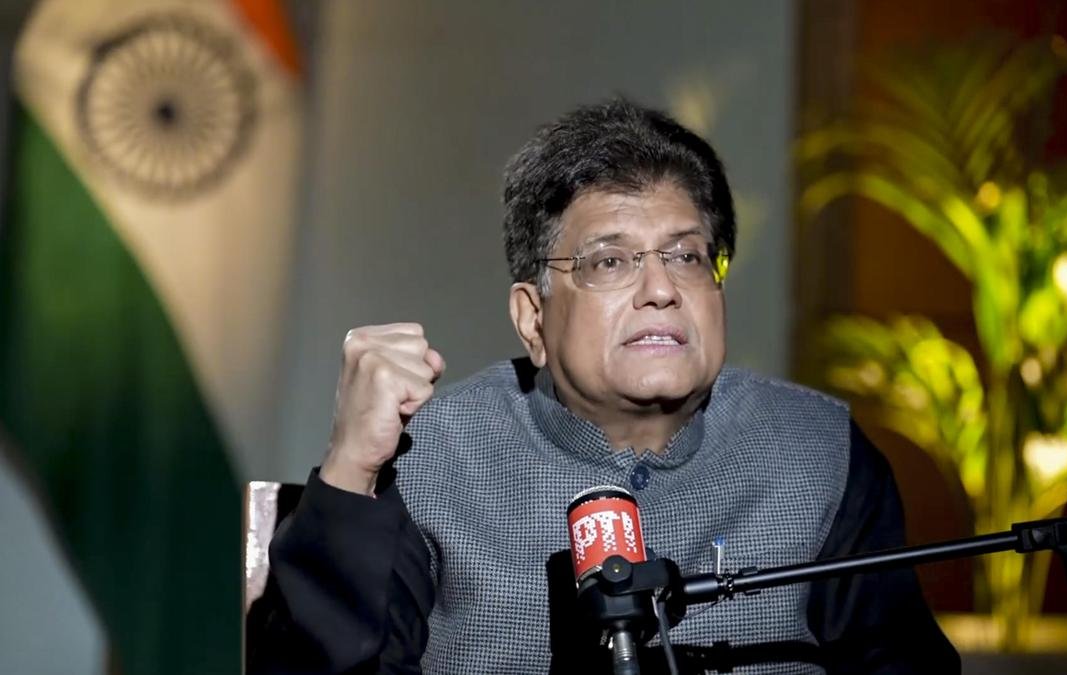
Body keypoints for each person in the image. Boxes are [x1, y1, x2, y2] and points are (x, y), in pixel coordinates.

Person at [250, 99, 959, 674]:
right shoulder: (432, 456)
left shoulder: (818, 452)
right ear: (532, 318)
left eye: (687, 256)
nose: (661, 289)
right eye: (610, 261)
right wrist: (350, 468)